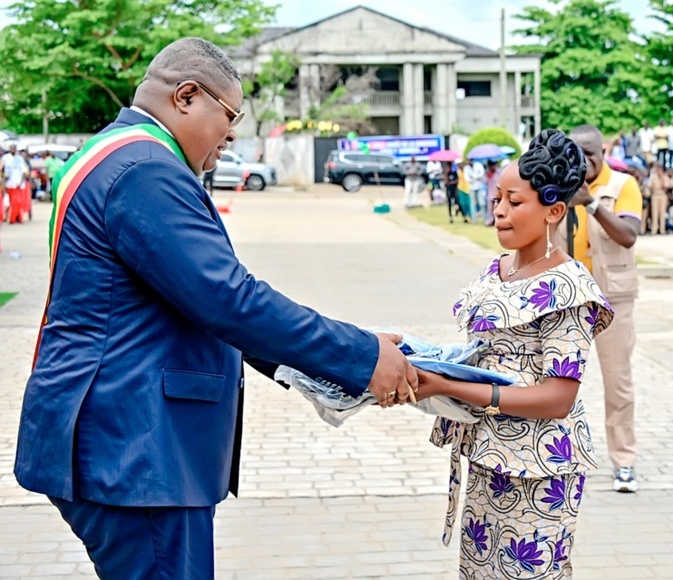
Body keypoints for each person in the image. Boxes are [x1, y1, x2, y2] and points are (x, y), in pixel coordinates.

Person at [14, 37, 418, 578]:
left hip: (119, 440)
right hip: (136, 449)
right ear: (186, 96)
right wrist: (359, 355)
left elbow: (195, 302)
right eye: (230, 116)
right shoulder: (145, 169)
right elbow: (229, 300)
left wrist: (321, 367)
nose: (231, 136)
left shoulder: (110, 153)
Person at [419, 128, 613, 577]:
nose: (499, 211)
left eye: (514, 201)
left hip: (539, 467)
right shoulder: (497, 270)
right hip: (487, 454)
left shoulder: (569, 288)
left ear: (554, 210)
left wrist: (454, 388)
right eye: (497, 199)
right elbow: (482, 352)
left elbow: (558, 398)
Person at [562, 124, 643, 492]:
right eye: (576, 153)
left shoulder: (623, 185)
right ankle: (559, 457)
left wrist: (590, 203)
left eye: (590, 153)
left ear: (602, 152)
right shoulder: (561, 186)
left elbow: (628, 236)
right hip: (568, 300)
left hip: (613, 299)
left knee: (618, 383)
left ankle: (624, 462)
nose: (584, 160)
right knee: (558, 382)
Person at [1, 144, 29, 224]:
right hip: (8, 184)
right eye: (11, 148)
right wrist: (3, 180)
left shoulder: (19, 159)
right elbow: (1, 168)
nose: (13, 149)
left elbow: (24, 171)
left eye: (14, 148)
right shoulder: (5, 158)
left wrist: (21, 181)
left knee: (17, 202)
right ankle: (9, 217)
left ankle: (15, 218)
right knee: (8, 202)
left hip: (17, 184)